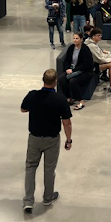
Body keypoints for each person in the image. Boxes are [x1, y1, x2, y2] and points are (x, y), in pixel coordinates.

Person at [21, 68, 72, 213]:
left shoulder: (32, 95)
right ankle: (48, 197)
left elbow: (23, 109)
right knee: (49, 169)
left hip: (34, 138)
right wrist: (69, 140)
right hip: (52, 140)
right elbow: (66, 122)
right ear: (55, 82)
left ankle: (28, 201)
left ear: (43, 80)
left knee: (30, 168)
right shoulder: (60, 100)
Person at [58, 32, 94, 111]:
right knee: (61, 79)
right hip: (71, 70)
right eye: (74, 38)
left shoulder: (85, 49)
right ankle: (68, 98)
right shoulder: (71, 48)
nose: (75, 40)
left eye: (77, 38)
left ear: (81, 39)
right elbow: (67, 60)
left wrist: (73, 70)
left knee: (73, 81)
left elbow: (86, 64)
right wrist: (67, 68)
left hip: (84, 71)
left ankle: (81, 101)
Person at [85, 28, 111, 94]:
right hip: (92, 66)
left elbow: (101, 54)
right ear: (93, 36)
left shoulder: (93, 43)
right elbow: (100, 59)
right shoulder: (91, 46)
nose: (100, 37)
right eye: (98, 35)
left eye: (101, 35)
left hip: (96, 62)